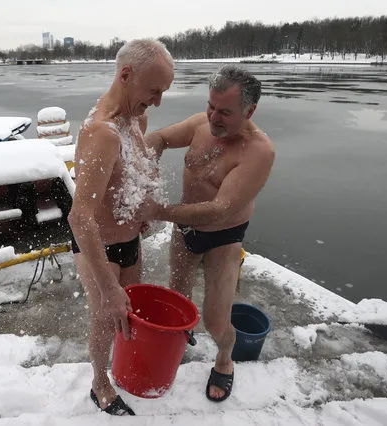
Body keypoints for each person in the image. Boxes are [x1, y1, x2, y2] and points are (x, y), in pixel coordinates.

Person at [141, 66, 274, 402]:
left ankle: (225, 360)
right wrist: (145, 169)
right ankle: (178, 343)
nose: (214, 117)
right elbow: (159, 138)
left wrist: (160, 212)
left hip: (223, 236)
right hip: (185, 230)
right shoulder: (202, 124)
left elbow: (220, 208)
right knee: (177, 298)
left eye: (225, 112)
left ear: (250, 111)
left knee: (216, 319)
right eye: (211, 106)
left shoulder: (259, 151)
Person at [67, 38, 174, 416]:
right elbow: (79, 217)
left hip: (129, 241)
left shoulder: (135, 118)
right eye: (155, 91)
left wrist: (138, 209)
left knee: (129, 315)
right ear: (126, 75)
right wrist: (109, 288)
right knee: (105, 315)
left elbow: (126, 176)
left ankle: (125, 364)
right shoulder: (102, 133)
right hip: (99, 246)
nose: (158, 101)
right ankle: (99, 383)